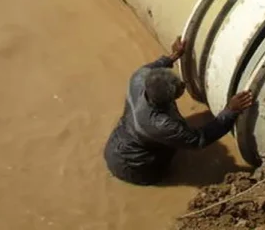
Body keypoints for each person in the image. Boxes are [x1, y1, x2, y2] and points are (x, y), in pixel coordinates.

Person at [103, 37, 255, 186]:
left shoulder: (140, 77)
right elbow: (199, 140)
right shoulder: (162, 124)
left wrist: (173, 56)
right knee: (173, 150)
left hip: (116, 145)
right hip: (136, 167)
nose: (183, 84)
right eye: (180, 87)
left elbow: (155, 67)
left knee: (170, 139)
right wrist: (230, 111)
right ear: (169, 99)